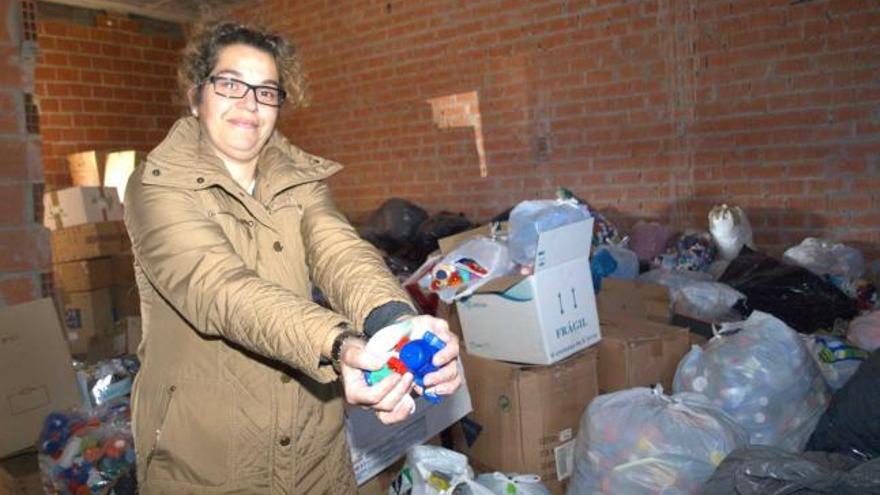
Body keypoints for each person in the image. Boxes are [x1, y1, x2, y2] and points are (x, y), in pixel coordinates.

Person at [123, 20, 462, 494]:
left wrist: (395, 322)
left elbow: (339, 251)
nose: (249, 103)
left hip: (314, 455)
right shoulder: (155, 186)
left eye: (266, 91)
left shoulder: (300, 179)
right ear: (195, 93)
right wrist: (340, 344)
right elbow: (218, 289)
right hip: (207, 461)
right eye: (230, 84)